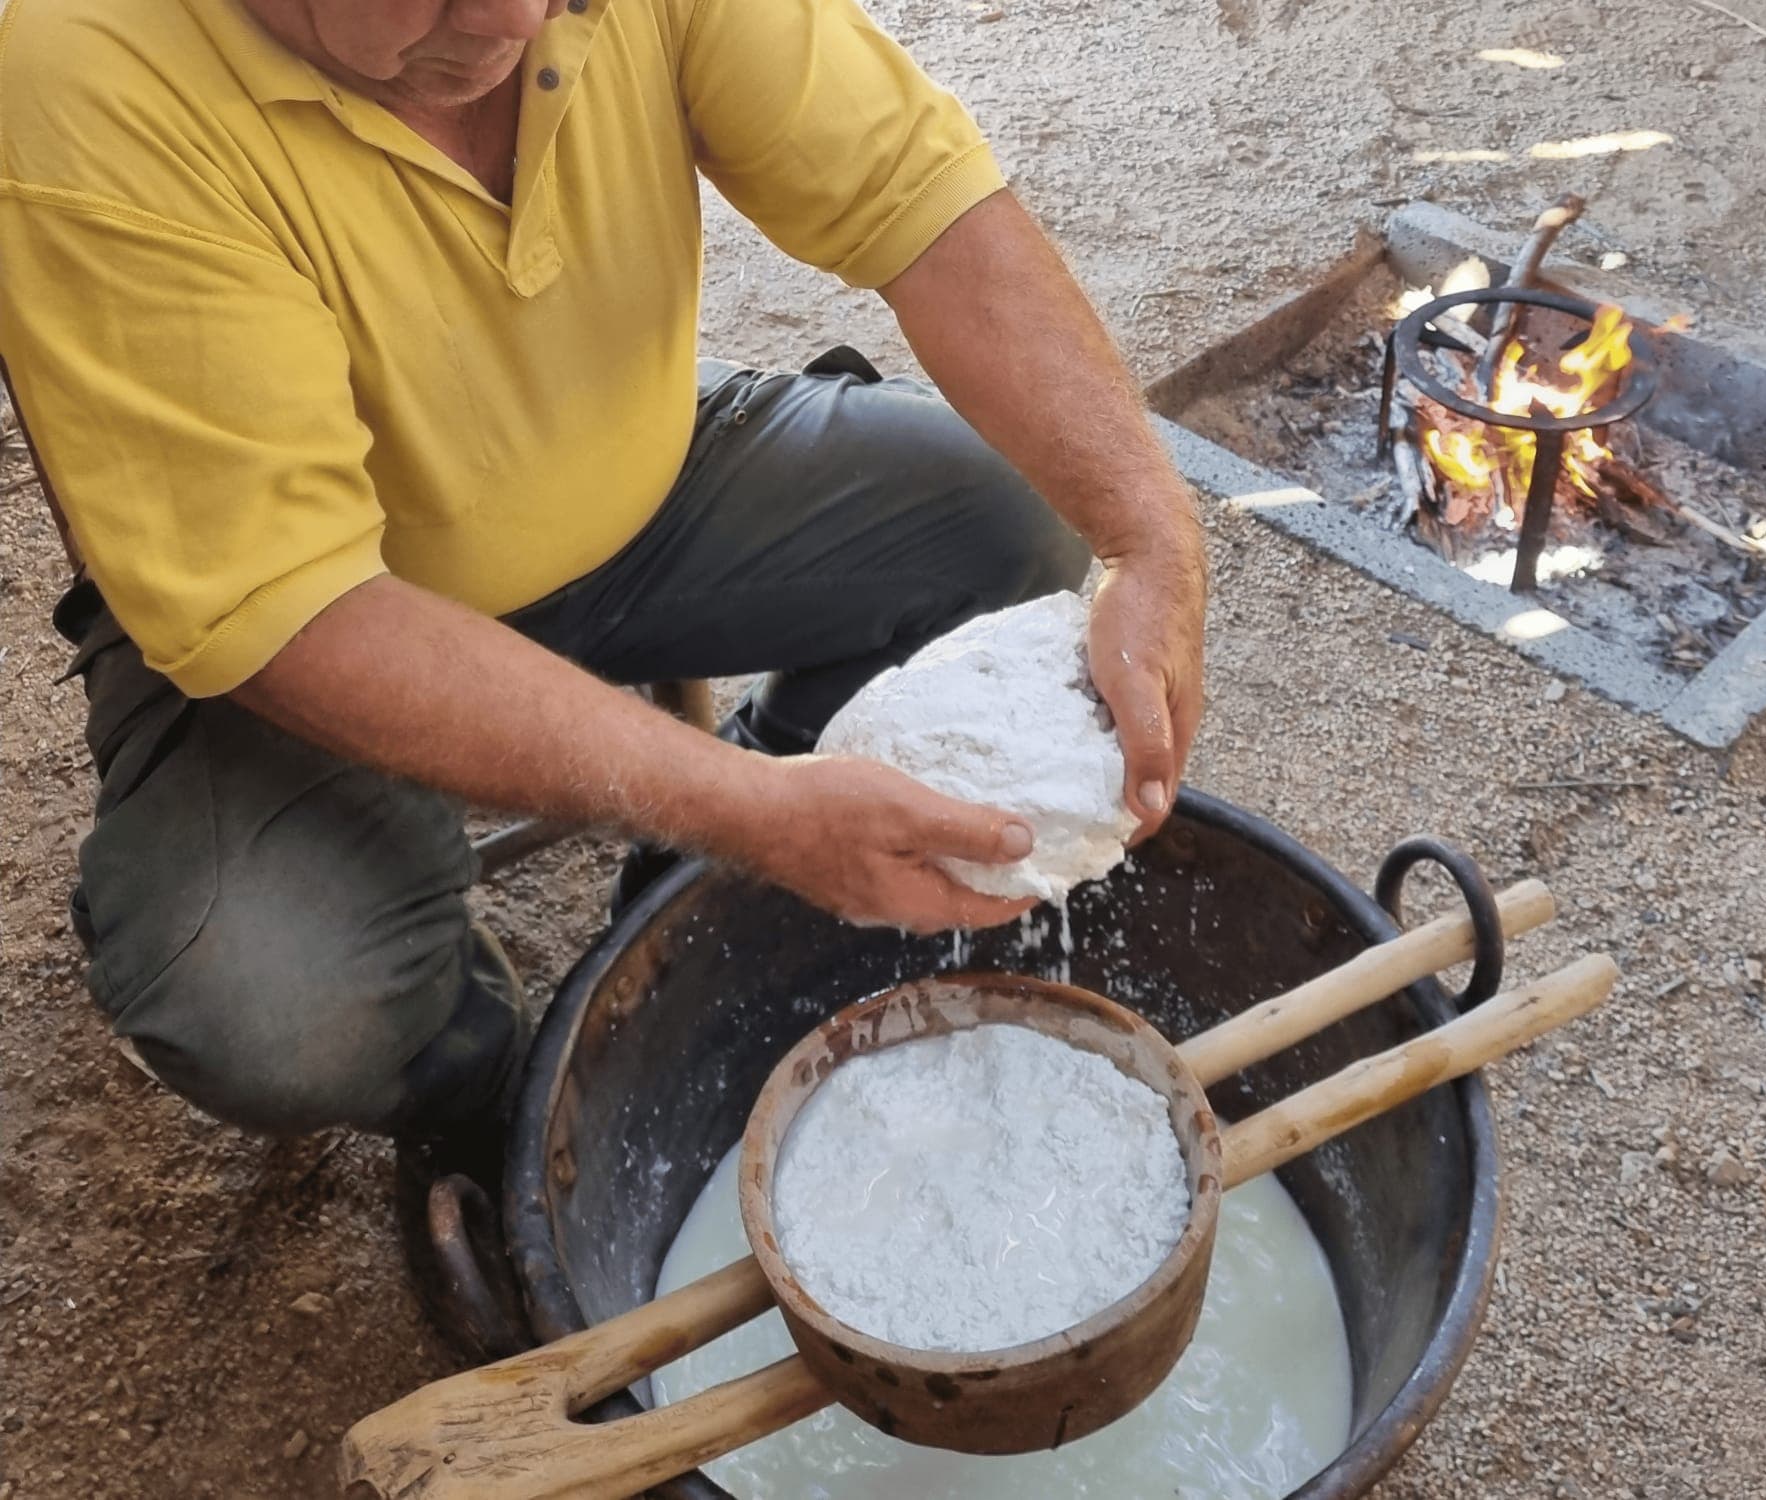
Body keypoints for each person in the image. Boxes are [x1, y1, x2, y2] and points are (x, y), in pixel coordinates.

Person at [0, 0, 1207, 1164]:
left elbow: (920, 202)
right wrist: (740, 805)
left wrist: (1150, 534)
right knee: (269, 1002)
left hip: (637, 468)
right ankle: (500, 1097)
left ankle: (713, 894)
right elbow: (285, 602)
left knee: (1015, 528)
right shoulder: (85, 74)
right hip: (311, 608)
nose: (518, 20)